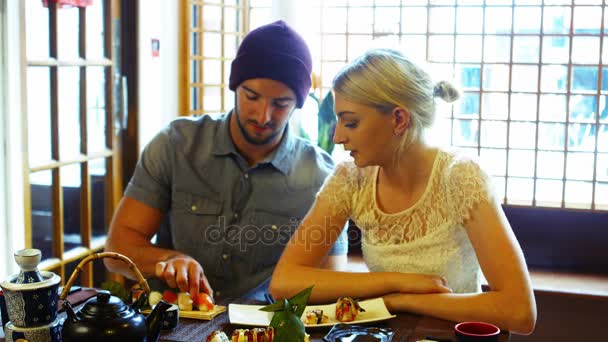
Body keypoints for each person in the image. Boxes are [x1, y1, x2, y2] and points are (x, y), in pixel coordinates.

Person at [269, 49, 537, 334]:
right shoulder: (350, 177)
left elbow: (519, 311)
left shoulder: (460, 176)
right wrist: (395, 281)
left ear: (399, 119)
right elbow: (284, 282)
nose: (337, 137)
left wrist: (402, 301)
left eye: (351, 122)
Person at [104, 20, 348, 301]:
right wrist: (169, 259)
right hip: (174, 322)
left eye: (280, 104)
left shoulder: (320, 176)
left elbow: (329, 288)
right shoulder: (175, 145)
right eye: (251, 96)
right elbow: (117, 250)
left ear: (298, 103)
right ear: (234, 86)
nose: (262, 115)